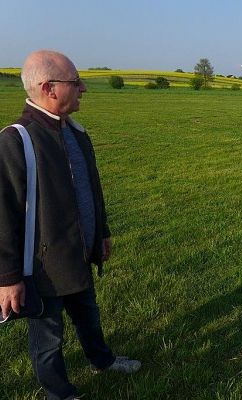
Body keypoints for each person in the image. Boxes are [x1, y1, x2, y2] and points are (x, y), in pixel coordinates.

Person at [0, 50, 140, 400]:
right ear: (48, 88)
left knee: (89, 318)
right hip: (44, 268)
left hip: (78, 255)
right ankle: (60, 392)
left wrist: (102, 232)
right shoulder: (16, 140)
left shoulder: (75, 132)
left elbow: (91, 188)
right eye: (76, 82)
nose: (83, 89)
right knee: (48, 339)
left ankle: (102, 360)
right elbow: (3, 214)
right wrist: (8, 278)